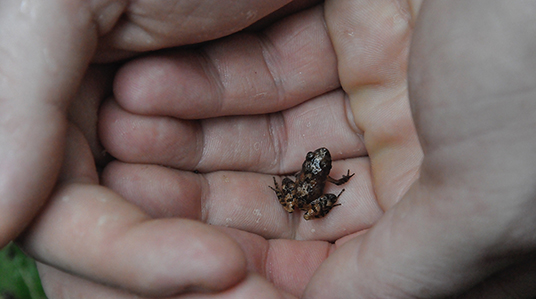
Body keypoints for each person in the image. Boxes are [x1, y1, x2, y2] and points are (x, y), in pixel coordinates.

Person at [5, 0, 536, 298]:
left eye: (319, 164)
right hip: (304, 196)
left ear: (315, 166)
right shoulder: (318, 176)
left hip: (301, 196)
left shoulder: (313, 175)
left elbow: (313, 183)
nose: (320, 162)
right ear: (314, 165)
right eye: (318, 162)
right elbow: (317, 184)